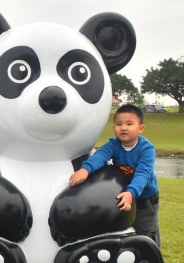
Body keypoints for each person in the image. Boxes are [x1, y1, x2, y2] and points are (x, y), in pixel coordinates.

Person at [68, 103, 161, 246]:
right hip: (124, 195)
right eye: (119, 124)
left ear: (140, 128)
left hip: (145, 199)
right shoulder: (113, 144)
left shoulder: (146, 149)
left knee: (147, 233)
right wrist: (85, 170)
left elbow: (143, 174)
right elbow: (100, 156)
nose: (123, 127)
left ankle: (153, 260)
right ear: (114, 128)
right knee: (121, 230)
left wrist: (131, 193)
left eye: (129, 124)